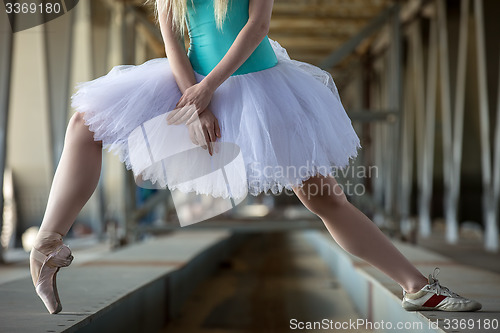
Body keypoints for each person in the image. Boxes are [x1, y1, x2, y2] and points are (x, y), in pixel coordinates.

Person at [29, 0, 482, 314]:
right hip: (191, 81)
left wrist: (209, 90)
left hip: (258, 85)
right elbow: (169, 35)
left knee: (323, 197)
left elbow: (257, 27)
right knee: (83, 123)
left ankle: (418, 288)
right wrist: (194, 101)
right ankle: (48, 242)